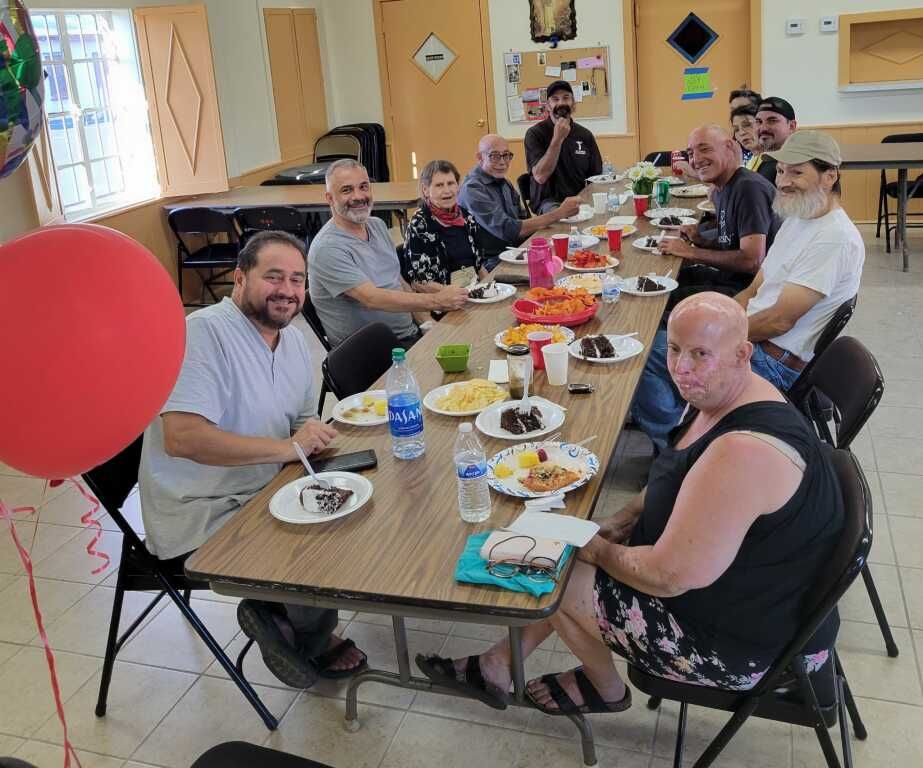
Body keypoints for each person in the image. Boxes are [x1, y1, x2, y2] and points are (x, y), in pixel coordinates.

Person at [416, 293, 843, 713]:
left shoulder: (745, 451)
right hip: (751, 600)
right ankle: (499, 663)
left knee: (556, 574)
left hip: (747, 648)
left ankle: (604, 689)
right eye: (674, 349)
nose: (681, 368)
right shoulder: (732, 393)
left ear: (742, 353)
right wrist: (621, 518)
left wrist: (595, 547)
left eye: (700, 354)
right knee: (563, 547)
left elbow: (667, 577)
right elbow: (676, 474)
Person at [139, 230, 367, 689]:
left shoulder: (294, 342)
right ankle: (301, 631)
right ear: (239, 278)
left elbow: (301, 422)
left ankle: (280, 611)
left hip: (263, 486)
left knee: (352, 503)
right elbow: (182, 438)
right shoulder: (202, 334)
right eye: (274, 277)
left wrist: (321, 440)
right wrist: (289, 449)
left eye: (297, 280)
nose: (287, 290)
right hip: (201, 510)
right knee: (313, 534)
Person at [634, 130, 864, 448]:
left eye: (797, 172)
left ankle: (678, 447)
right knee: (667, 333)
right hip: (755, 340)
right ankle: (689, 428)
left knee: (642, 355)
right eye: (781, 171)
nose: (783, 181)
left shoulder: (834, 238)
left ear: (829, 176)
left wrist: (713, 341)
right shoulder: (800, 218)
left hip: (774, 360)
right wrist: (718, 321)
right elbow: (755, 288)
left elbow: (779, 321)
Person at [309, 159, 468, 347]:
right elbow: (371, 298)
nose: (358, 196)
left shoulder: (376, 225)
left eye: (363, 187)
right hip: (372, 352)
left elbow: (397, 280)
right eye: (347, 190)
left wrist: (426, 322)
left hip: (408, 336)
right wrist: (436, 301)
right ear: (329, 198)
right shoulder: (327, 248)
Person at [659, 125, 780, 302]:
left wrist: (691, 252)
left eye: (705, 149)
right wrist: (702, 242)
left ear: (729, 148)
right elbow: (732, 243)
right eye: (691, 153)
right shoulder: (722, 188)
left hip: (751, 292)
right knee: (669, 280)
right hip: (732, 277)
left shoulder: (748, 188)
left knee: (663, 300)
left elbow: (752, 261)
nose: (696, 160)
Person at [458, 134, 582, 260]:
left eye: (506, 155)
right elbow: (510, 231)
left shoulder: (504, 182)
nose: (502, 162)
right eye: (494, 156)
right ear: (480, 158)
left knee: (571, 253)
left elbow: (524, 220)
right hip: (492, 261)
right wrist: (558, 214)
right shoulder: (472, 189)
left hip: (517, 250)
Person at [402, 159, 490, 290]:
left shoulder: (467, 217)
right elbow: (419, 283)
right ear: (425, 190)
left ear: (458, 186)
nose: (447, 190)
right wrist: (457, 295)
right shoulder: (419, 224)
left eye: (451, 183)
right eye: (439, 185)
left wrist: (489, 289)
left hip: (473, 292)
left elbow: (480, 267)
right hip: (440, 300)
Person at [525, 80, 602, 213]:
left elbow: (596, 176)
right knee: (562, 219)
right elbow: (540, 176)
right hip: (549, 202)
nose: (561, 103)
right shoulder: (535, 134)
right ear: (548, 106)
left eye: (566, 98)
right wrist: (557, 138)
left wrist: (589, 200)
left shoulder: (585, 135)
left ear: (573, 105)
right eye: (555, 99)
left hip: (579, 199)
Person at [750, 96, 797, 183]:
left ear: (791, 126)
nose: (763, 128)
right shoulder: (764, 161)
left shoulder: (799, 164)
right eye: (759, 122)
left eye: (772, 121)